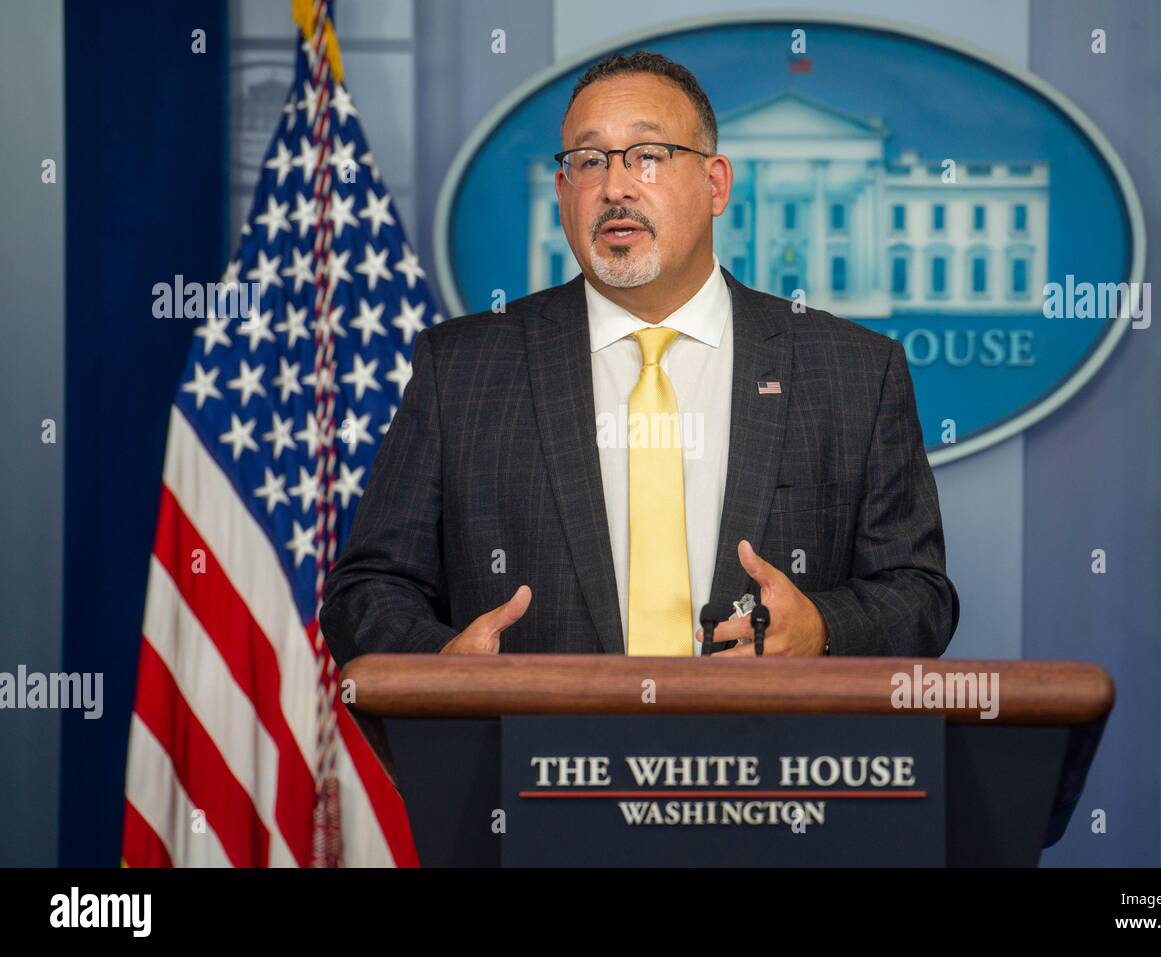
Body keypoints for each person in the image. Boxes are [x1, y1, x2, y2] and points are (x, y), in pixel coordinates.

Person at [320, 50, 959, 662]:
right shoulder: (461, 368)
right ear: (563, 189)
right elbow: (368, 588)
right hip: (531, 756)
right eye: (588, 160)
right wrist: (442, 662)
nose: (615, 185)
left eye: (648, 156)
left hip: (769, 761)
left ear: (715, 184)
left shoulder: (853, 372)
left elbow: (919, 595)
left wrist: (822, 629)